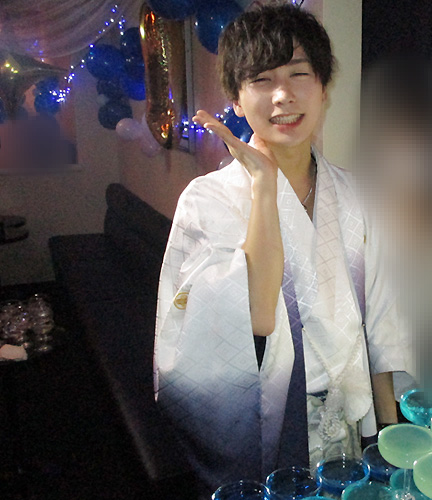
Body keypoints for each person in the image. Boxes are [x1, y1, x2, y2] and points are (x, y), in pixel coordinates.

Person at [153, 2, 410, 491]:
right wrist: (264, 188)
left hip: (349, 423)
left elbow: (379, 319)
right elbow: (255, 318)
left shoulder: (356, 194)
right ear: (236, 98)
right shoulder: (206, 201)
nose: (283, 95)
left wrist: (388, 433)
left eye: (299, 74)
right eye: (261, 80)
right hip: (272, 422)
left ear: (323, 87)